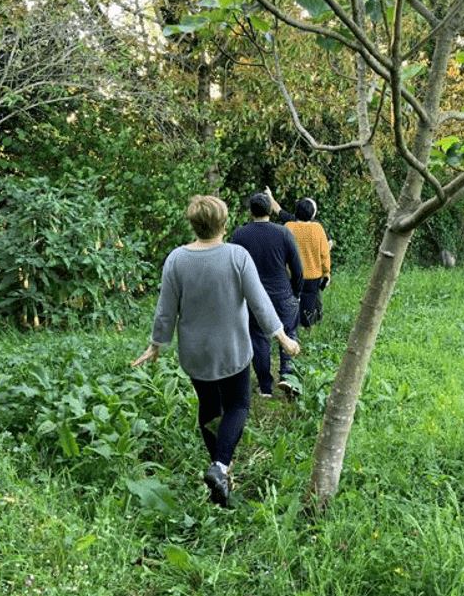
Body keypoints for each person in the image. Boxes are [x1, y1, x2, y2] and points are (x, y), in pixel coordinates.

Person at [132, 195, 300, 507]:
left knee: (209, 407)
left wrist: (156, 345)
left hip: (196, 354)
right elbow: (260, 303)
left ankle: (219, 473)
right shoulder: (237, 256)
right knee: (238, 405)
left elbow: (166, 311)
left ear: (193, 225)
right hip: (232, 350)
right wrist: (282, 337)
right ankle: (221, 466)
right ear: (224, 223)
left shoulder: (176, 260)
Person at [229, 192, 303, 399]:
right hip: (282, 292)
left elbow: (234, 267)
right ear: (270, 210)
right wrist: (296, 292)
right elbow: (297, 268)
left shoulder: (240, 235)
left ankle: (265, 387)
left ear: (251, 211)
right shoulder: (283, 233)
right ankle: (288, 376)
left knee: (258, 338)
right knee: (288, 331)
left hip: (253, 296)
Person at [264, 189, 331, 328]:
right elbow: (324, 254)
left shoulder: (288, 226)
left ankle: (289, 326)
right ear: (312, 214)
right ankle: (307, 327)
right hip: (313, 275)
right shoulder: (318, 228)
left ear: (296, 211)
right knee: (309, 304)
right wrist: (326, 273)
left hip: (292, 274)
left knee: (291, 302)